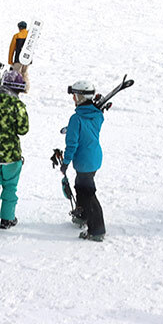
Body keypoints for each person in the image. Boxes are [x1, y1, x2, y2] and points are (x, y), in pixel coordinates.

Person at [0, 70, 29, 232]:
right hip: (11, 155)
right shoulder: (17, 106)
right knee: (10, 187)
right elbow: (23, 129)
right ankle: (7, 218)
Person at [61, 81, 106, 241]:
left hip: (84, 161)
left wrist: (66, 162)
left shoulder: (76, 119)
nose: (73, 98)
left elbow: (72, 144)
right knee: (80, 186)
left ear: (80, 97)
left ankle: (97, 230)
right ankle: (82, 215)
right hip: (94, 158)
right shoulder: (98, 115)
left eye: (75, 95)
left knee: (87, 194)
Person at [7, 21, 31, 93]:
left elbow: (11, 49)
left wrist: (10, 60)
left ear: (19, 27)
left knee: (17, 73)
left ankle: (17, 88)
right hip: (27, 58)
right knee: (24, 73)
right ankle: (26, 88)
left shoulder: (17, 36)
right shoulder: (30, 36)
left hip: (18, 58)